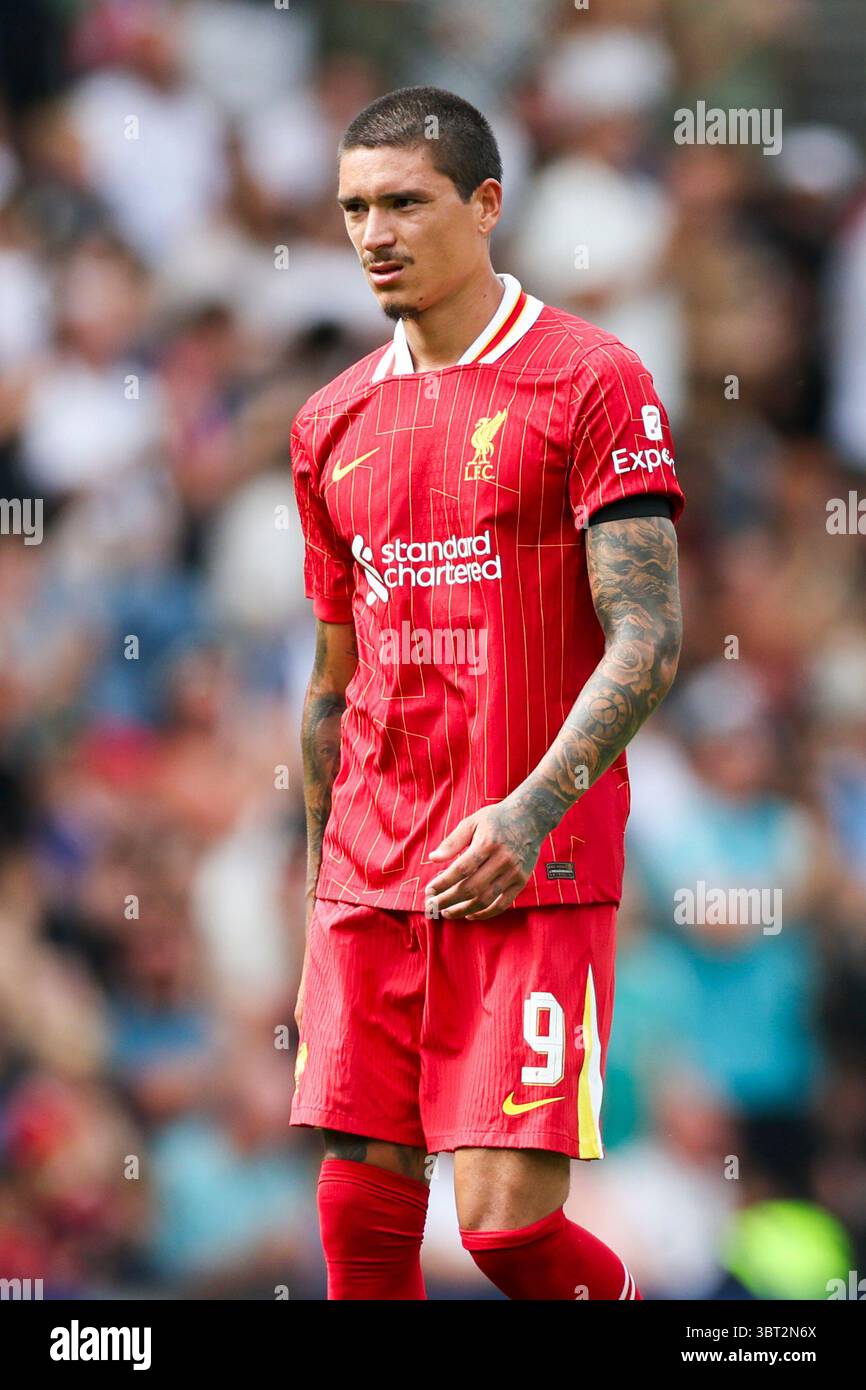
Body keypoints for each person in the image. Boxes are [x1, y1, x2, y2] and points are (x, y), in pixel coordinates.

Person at [289, 86, 684, 1301]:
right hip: (371, 855)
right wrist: (321, 883)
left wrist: (530, 812)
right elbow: (329, 681)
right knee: (360, 1205)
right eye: (354, 207)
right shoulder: (327, 420)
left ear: (485, 204)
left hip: (532, 853)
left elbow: (649, 635)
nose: (374, 234)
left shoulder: (589, 380)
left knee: (506, 1232)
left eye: (403, 202)